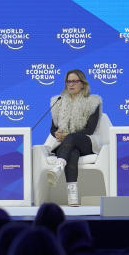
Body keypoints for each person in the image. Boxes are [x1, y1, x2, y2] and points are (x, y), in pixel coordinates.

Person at [44, 69, 102, 207]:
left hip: (86, 143)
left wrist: (67, 136)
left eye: (74, 81)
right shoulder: (58, 102)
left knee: (72, 139)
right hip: (66, 145)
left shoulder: (93, 102)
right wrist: (57, 134)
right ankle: (72, 194)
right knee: (72, 152)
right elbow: (53, 129)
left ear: (82, 83)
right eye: (68, 81)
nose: (71, 84)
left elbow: (90, 130)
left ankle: (58, 166)